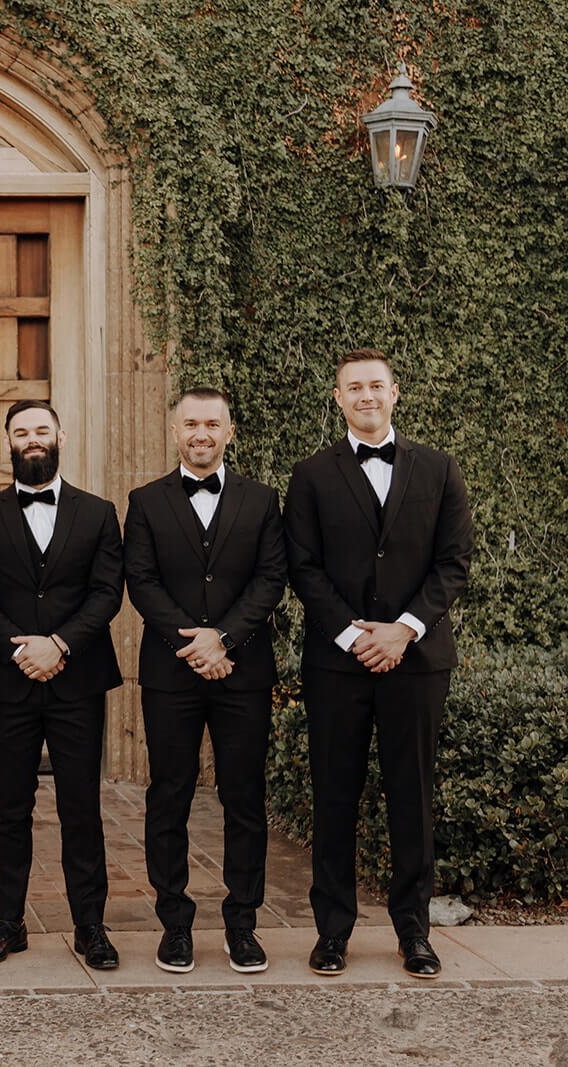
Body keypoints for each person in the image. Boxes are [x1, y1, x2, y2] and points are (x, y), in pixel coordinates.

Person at [284, 348, 472, 979]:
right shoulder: (309, 476)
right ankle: (331, 932)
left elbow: (453, 563)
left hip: (416, 661)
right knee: (333, 794)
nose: (366, 395)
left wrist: (404, 631)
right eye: (353, 387)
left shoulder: (440, 470)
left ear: (396, 393)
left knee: (412, 795)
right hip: (337, 665)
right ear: (338, 398)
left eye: (376, 385)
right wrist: (350, 635)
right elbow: (302, 568)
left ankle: (413, 932)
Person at [122, 387, 287, 974]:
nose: (201, 434)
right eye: (191, 424)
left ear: (229, 431)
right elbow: (140, 581)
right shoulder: (145, 501)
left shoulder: (263, 500)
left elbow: (271, 579)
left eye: (212, 424)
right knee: (169, 794)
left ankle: (243, 924)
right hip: (172, 672)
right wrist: (193, 643)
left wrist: (225, 639)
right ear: (175, 432)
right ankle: (175, 924)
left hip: (243, 670)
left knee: (245, 797)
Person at [0, 399, 124, 971]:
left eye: (41, 430)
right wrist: (20, 647)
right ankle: (9, 922)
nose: (33, 439)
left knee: (82, 807)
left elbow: (107, 593)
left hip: (78, 679)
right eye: (21, 431)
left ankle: (91, 926)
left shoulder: (99, 512)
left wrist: (59, 643)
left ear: (61, 435)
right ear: (8, 442)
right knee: (10, 809)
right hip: (9, 682)